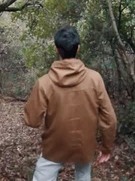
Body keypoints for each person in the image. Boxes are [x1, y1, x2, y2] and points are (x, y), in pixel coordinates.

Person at [24, 26, 117, 181]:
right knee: (83, 175)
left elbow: (32, 121)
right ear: (78, 48)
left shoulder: (44, 83)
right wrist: (107, 147)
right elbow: (110, 119)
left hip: (54, 146)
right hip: (84, 145)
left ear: (56, 49)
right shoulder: (95, 79)